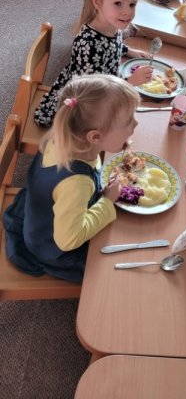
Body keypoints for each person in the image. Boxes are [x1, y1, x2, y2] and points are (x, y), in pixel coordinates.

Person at [4, 74, 140, 283]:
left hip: (45, 214)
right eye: (129, 120)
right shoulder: (76, 184)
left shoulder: (63, 138)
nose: (136, 123)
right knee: (116, 268)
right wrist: (106, 202)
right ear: (94, 137)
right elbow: (69, 240)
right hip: (53, 248)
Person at [34, 0, 152, 127]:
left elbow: (112, 46)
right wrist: (130, 82)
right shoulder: (89, 45)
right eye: (118, 3)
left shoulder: (112, 25)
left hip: (106, 86)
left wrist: (128, 50)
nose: (128, 12)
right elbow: (94, 93)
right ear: (97, 2)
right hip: (81, 106)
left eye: (132, 4)